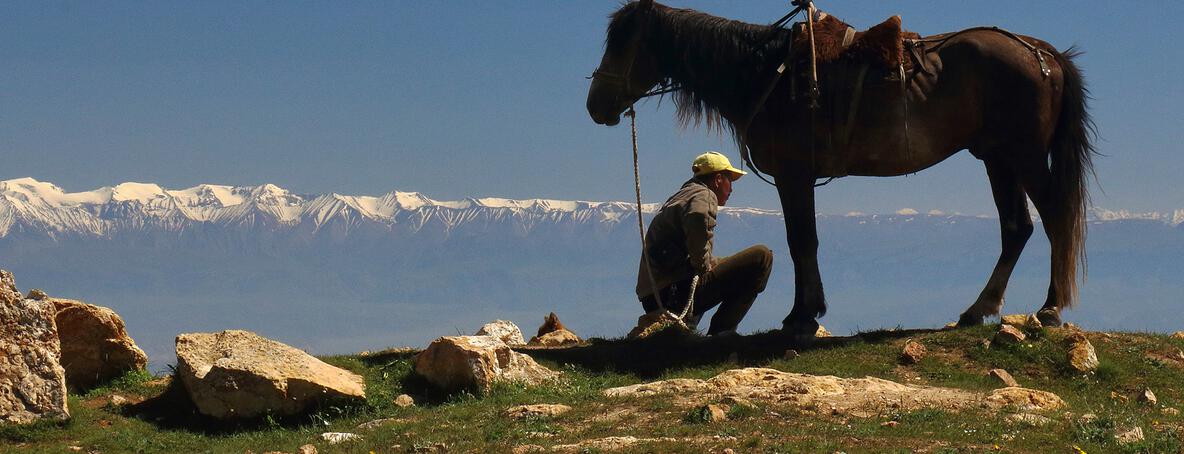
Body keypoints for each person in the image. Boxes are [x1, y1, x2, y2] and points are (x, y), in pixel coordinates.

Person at [636, 151, 774, 336]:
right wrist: (701, 263)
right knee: (762, 256)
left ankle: (706, 331)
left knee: (723, 262)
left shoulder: (681, 196)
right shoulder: (704, 195)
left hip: (656, 294)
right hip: (674, 293)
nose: (731, 189)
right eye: (729, 181)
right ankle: (722, 332)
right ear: (718, 179)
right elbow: (698, 216)